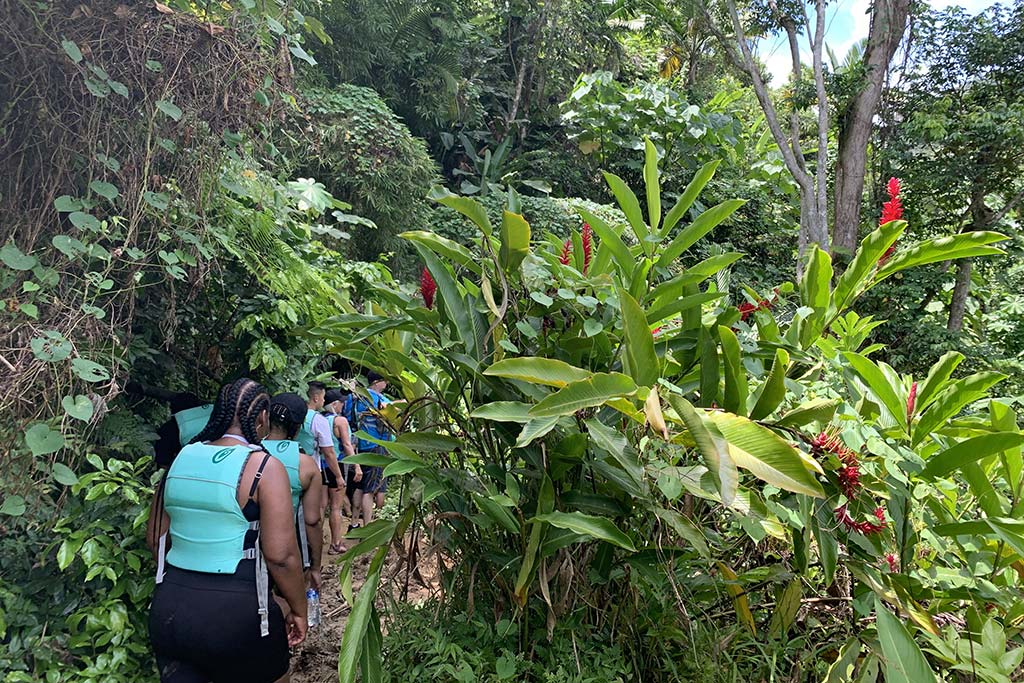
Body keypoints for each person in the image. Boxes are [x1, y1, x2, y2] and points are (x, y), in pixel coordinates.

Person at [146, 378, 306, 683]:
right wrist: (298, 609)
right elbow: (281, 556)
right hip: (238, 615)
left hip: (170, 611)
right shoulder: (263, 467)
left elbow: (156, 538)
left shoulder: (181, 458)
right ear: (262, 418)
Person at [264, 392, 324, 590]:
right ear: (298, 427)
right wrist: (315, 567)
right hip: (289, 549)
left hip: (248, 549)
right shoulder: (305, 464)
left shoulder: (247, 452)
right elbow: (312, 520)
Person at [343, 371, 395, 528]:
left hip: (361, 446)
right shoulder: (376, 398)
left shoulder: (354, 398)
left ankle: (354, 523)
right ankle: (367, 529)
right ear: (377, 382)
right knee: (370, 490)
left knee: (360, 486)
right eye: (385, 380)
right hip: (376, 446)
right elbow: (392, 408)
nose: (386, 383)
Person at [296, 382, 342, 532]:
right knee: (313, 510)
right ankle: (313, 539)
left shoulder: (296, 414)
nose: (323, 400)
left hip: (290, 465)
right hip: (312, 469)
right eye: (323, 397)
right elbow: (328, 452)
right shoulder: (318, 420)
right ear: (316, 398)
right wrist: (338, 476)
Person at [322, 388, 361, 554]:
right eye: (342, 403)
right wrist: (356, 465)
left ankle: (316, 541)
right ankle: (336, 543)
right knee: (336, 507)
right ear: (335, 404)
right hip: (337, 463)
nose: (343, 406)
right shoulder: (340, 421)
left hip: (320, 463)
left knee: (321, 505)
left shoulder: (319, 419)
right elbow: (346, 444)